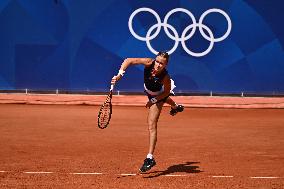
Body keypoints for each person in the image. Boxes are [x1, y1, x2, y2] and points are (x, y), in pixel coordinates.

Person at [111, 52, 184, 172]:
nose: (158, 65)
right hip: (148, 90)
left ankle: (150, 158)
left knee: (151, 125)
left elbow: (166, 93)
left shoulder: (166, 77)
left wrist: (153, 100)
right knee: (163, 105)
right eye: (158, 61)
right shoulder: (149, 62)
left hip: (158, 95)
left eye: (162, 63)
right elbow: (129, 60)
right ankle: (176, 107)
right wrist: (119, 75)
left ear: (166, 65)